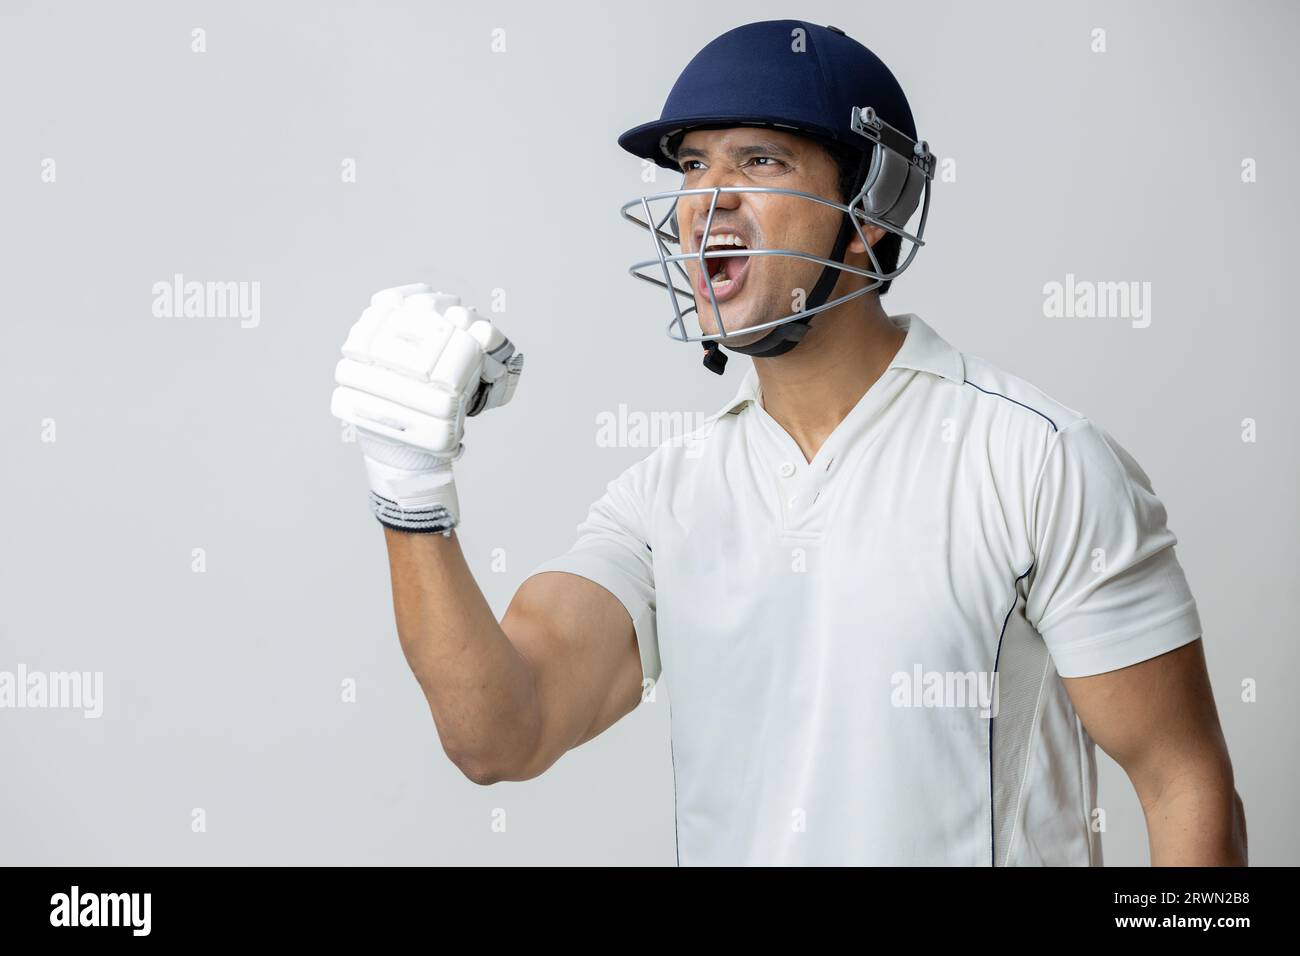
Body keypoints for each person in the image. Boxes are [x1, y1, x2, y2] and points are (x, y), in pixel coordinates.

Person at [330, 20, 1246, 866]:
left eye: (759, 159)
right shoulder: (663, 500)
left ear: (872, 208)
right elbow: (502, 736)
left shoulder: (1037, 461)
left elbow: (1182, 783)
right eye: (690, 167)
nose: (707, 200)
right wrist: (409, 483)